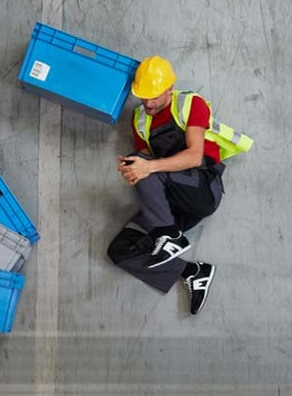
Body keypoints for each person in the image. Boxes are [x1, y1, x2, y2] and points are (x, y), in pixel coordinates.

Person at [105, 56, 251, 315]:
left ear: (169, 88)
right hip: (171, 205)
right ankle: (193, 272)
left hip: (202, 188)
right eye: (143, 97)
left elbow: (194, 156)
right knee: (120, 249)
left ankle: (169, 235)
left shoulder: (190, 104)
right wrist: (132, 170)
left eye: (153, 96)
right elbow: (148, 170)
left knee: (144, 163)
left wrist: (146, 167)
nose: (148, 103)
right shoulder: (140, 119)